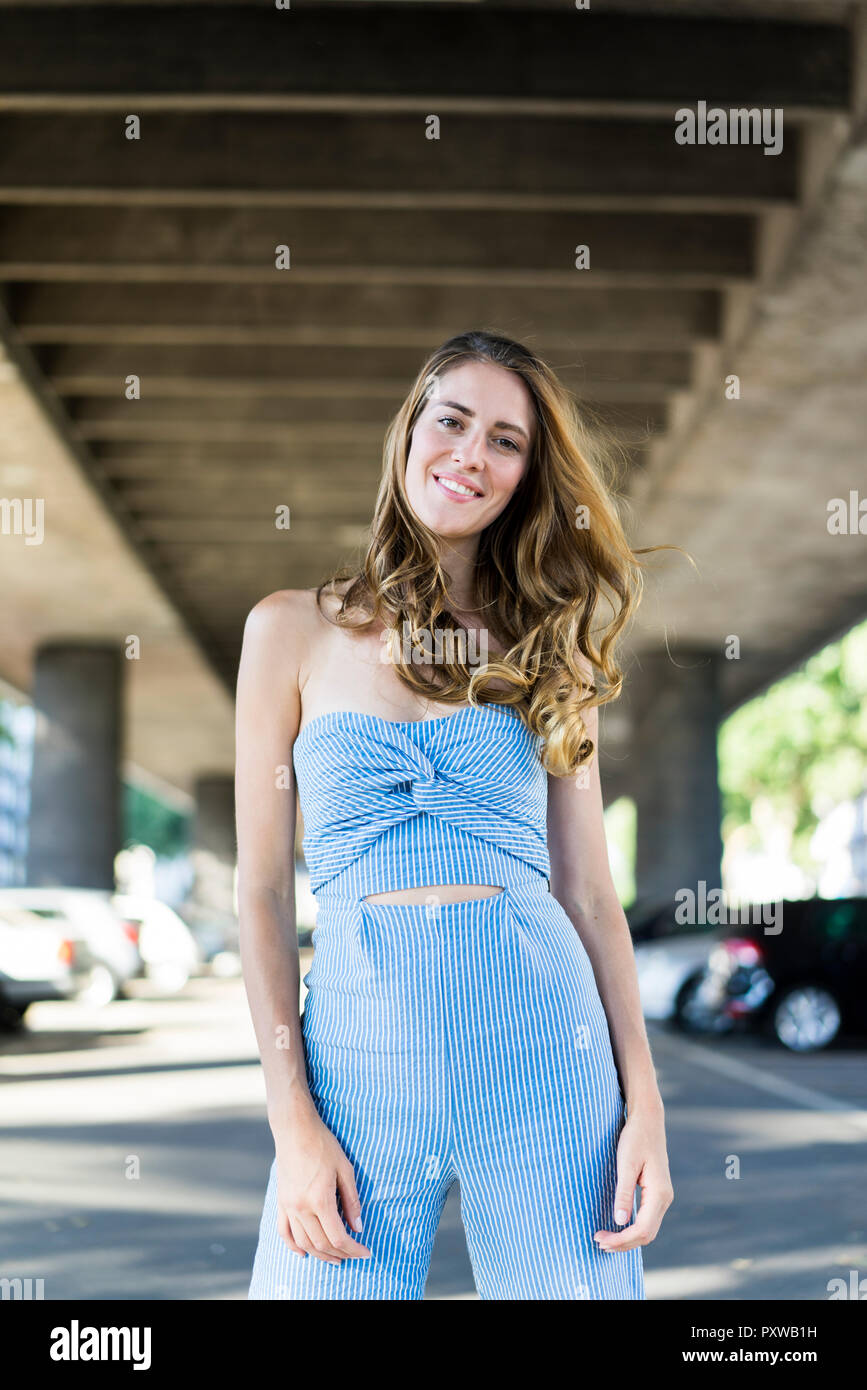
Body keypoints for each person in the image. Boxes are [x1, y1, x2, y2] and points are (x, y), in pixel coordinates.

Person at [237, 329, 675, 1300]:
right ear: (409, 432)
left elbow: (592, 895)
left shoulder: (550, 648)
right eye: (453, 421)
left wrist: (645, 1104)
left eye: (507, 441)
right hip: (355, 1060)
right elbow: (261, 892)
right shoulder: (287, 630)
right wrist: (292, 1121)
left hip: (544, 1055)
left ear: (526, 475)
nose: (472, 455)